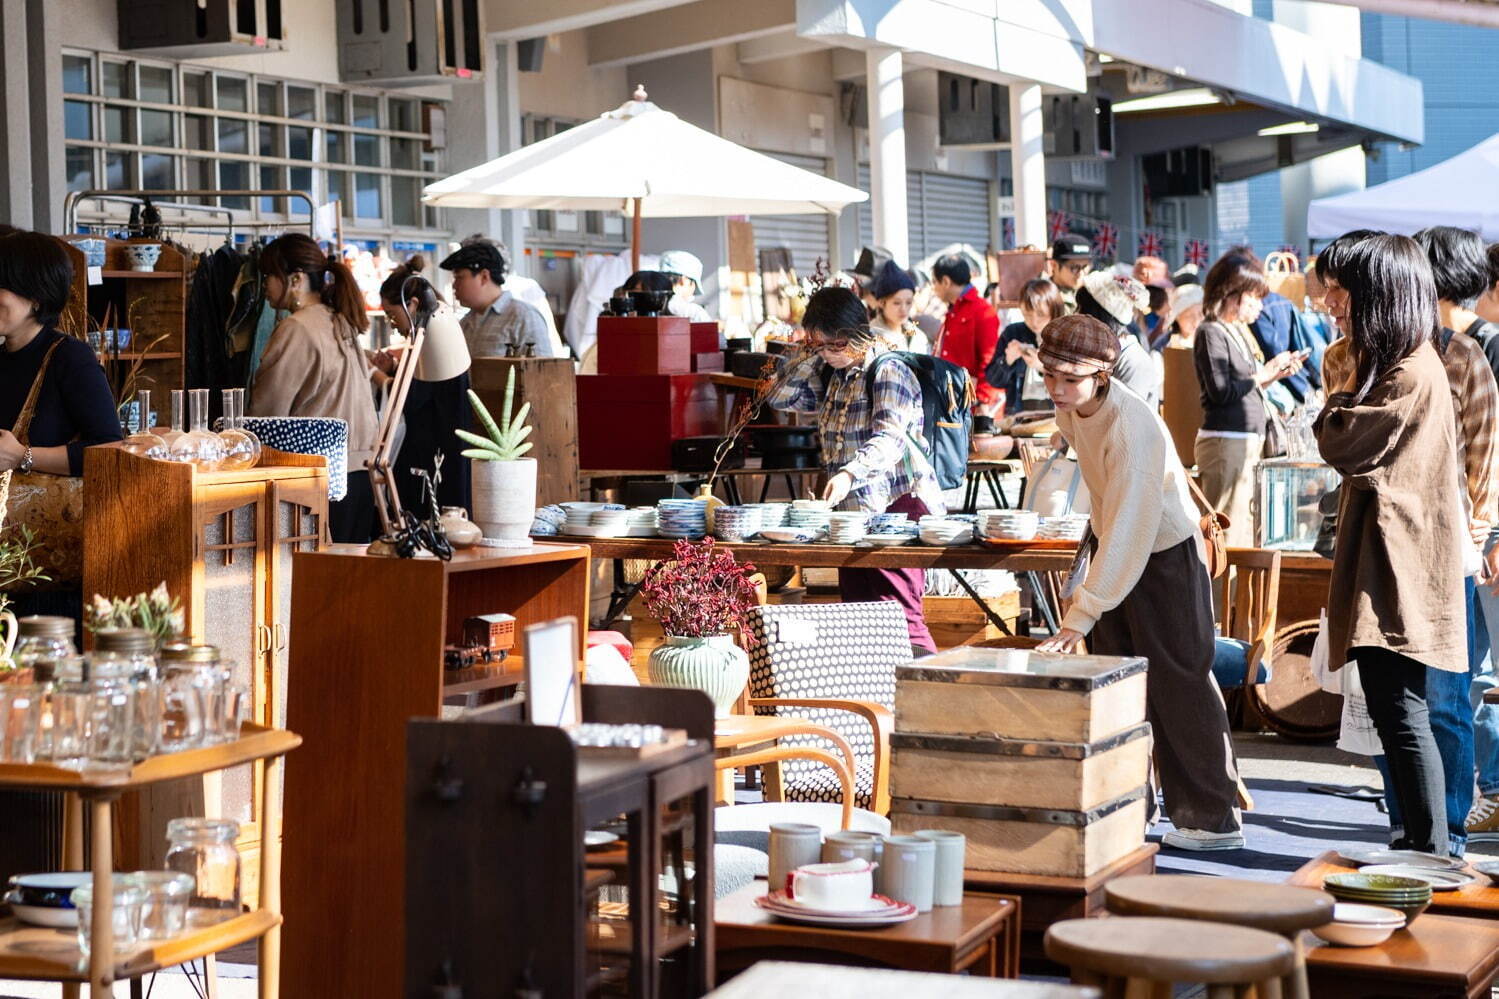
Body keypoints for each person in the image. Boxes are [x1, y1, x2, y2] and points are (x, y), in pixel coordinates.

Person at [1033, 314, 1244, 851]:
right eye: (1048, 374)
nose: (1057, 388)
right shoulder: (1076, 410)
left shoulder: (1132, 426)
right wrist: (1092, 584)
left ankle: (1211, 820)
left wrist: (1083, 610)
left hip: (1164, 556)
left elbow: (1132, 525)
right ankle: (1128, 807)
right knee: (1119, 687)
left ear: (1102, 374)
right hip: (1121, 549)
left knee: (1179, 687)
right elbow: (1111, 517)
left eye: (1070, 378)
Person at [1314, 233, 1468, 857]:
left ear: (1379, 293)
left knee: (1404, 716)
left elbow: (1340, 439)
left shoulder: (1407, 370)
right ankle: (1419, 845)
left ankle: (1430, 853)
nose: (1332, 302)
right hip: (1391, 560)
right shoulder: (1399, 361)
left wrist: (1334, 403)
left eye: (1343, 289)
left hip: (1400, 567)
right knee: (1395, 712)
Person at [766, 287, 944, 655]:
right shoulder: (834, 373)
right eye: (822, 344)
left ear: (858, 333)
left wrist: (849, 473)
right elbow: (779, 396)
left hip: (896, 507)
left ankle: (924, 696)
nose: (830, 352)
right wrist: (805, 353)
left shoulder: (889, 369)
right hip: (852, 516)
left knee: (899, 617)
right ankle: (875, 703)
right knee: (860, 617)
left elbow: (890, 438)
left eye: (837, 343)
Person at [1406, 226, 1499, 849]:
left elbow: (1485, 459)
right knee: (1461, 679)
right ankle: (1437, 816)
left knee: (1466, 680)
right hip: (1457, 538)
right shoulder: (1444, 345)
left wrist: (1485, 534)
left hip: (1466, 540)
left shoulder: (1470, 351)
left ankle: (1471, 804)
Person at [0, 230, 123, 618]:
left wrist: (24, 456)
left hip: (48, 578)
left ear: (35, 297)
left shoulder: (69, 358)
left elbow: (109, 451)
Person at [249, 233, 380, 544]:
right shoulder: (337, 319)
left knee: (308, 585)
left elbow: (267, 416)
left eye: (269, 275)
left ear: (295, 279)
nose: (265, 284)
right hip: (360, 478)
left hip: (318, 483)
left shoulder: (297, 328)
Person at [1192, 253, 1303, 548]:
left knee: (1244, 533)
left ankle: (1235, 595)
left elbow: (1242, 386)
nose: (1259, 304)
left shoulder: (1236, 330)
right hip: (1226, 442)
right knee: (1225, 537)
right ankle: (1219, 596)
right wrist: (1262, 374)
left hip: (1245, 441)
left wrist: (1273, 375)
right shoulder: (1210, 331)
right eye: (1253, 296)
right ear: (1232, 295)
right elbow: (1221, 391)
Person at [374, 256, 473, 517]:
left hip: (436, 446)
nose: (391, 323)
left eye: (391, 315)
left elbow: (418, 396)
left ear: (413, 304)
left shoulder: (436, 331)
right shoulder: (424, 330)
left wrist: (376, 375)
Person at [439, 239, 552, 358]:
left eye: (459, 277)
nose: (454, 285)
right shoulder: (466, 323)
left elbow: (544, 371)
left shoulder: (523, 317)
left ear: (484, 277)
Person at [1075, 270, 1161, 408]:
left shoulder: (1133, 362)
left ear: (1100, 318)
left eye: (1082, 310)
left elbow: (1126, 419)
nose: (1077, 315)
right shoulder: (1098, 354)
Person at [931, 254, 1000, 416]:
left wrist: (983, 401)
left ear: (946, 282)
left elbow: (989, 360)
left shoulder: (982, 310)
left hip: (972, 406)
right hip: (951, 402)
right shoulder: (953, 310)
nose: (933, 289)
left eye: (935, 282)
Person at [986, 278, 1063, 415]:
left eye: (1040, 314)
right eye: (1027, 315)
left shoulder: (1065, 336)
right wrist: (1007, 360)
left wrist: (1043, 367)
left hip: (1058, 416)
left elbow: (1073, 379)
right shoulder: (1013, 333)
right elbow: (993, 381)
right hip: (1018, 415)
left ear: (1054, 309)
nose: (1034, 321)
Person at [867, 260, 928, 353]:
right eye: (897, 303)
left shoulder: (919, 337)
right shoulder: (870, 337)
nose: (903, 309)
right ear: (881, 303)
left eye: (908, 302)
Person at [658, 249, 711, 322]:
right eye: (694, 284)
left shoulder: (648, 309)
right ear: (683, 280)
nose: (693, 291)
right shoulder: (694, 313)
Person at [1048, 234, 1092, 312]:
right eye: (1074, 268)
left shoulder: (1092, 294)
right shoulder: (1043, 298)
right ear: (1054, 265)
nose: (1081, 274)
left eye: (1085, 267)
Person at [1156, 284, 1203, 350]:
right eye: (1189, 316)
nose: (1196, 321)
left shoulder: (1213, 341)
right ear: (1177, 317)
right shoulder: (1164, 346)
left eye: (1201, 314)